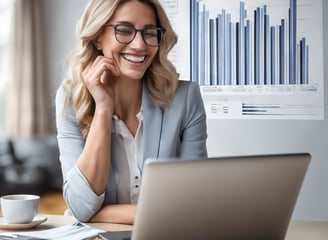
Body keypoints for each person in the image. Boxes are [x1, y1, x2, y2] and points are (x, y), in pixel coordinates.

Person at [55, 0, 207, 224]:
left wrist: (97, 214)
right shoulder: (71, 100)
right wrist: (104, 108)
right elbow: (80, 205)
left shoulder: (185, 98)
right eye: (124, 31)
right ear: (97, 37)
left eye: (149, 33)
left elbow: (193, 202)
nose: (139, 45)